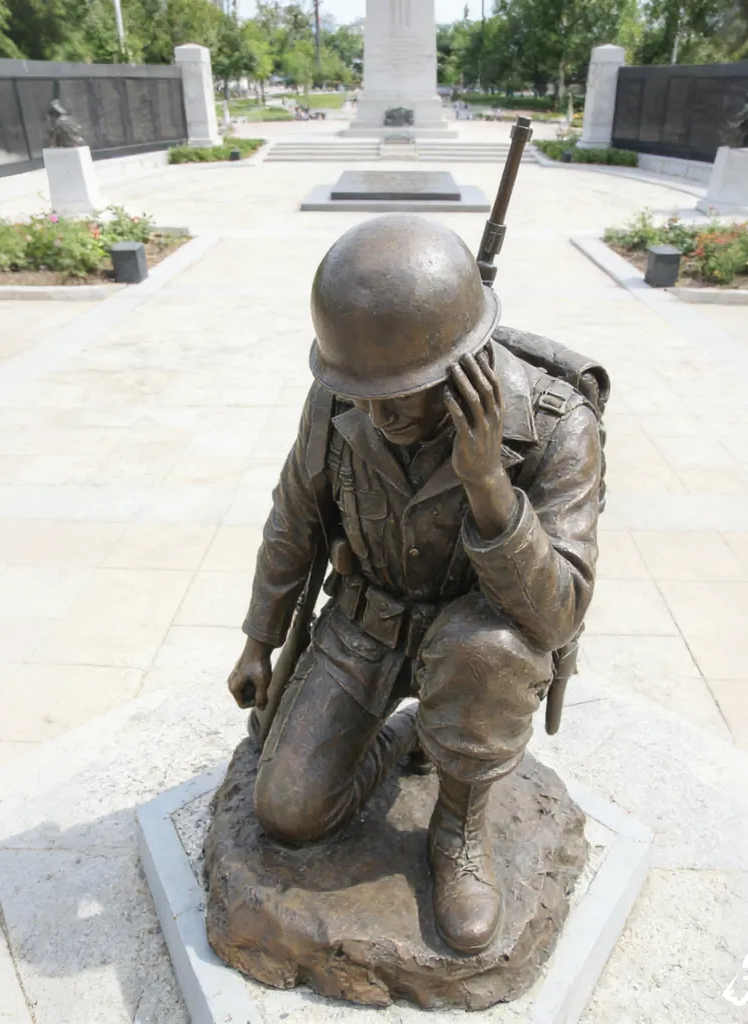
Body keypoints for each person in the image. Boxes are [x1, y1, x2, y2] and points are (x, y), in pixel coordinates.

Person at [226, 214, 602, 956]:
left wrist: (489, 484)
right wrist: (258, 642)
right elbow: (293, 520)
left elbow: (556, 614)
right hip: (365, 625)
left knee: (488, 648)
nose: (378, 409)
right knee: (288, 813)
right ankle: (408, 733)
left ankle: (460, 823)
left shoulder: (560, 424)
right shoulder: (345, 395)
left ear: (464, 361)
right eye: (363, 389)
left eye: (403, 389)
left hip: (474, 649)